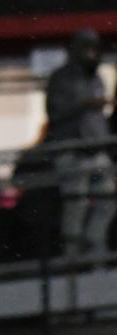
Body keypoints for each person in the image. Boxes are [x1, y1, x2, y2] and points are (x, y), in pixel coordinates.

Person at [45, 29, 115, 257]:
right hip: (71, 151)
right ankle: (72, 256)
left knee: (109, 198)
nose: (91, 53)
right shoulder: (60, 78)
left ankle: (93, 244)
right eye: (86, 48)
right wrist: (83, 104)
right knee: (76, 203)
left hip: (95, 150)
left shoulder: (97, 78)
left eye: (94, 48)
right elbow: (54, 114)